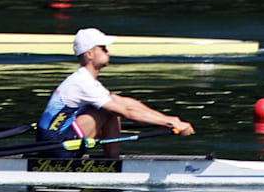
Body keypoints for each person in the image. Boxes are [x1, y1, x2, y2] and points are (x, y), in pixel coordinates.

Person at [36, 28, 194, 158]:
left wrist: (165, 119)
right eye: (103, 48)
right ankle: (113, 162)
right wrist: (171, 124)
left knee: (113, 107)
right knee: (110, 110)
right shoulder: (83, 83)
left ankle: (113, 160)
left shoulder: (86, 80)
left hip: (57, 140)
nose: (108, 52)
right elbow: (127, 111)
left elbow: (127, 103)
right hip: (56, 146)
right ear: (89, 54)